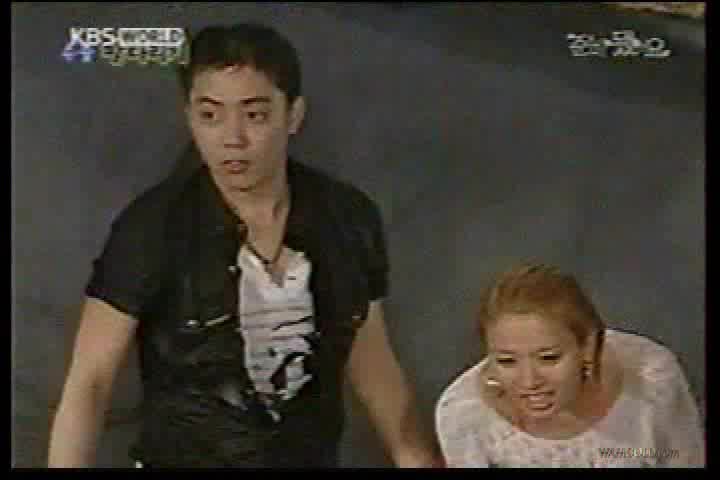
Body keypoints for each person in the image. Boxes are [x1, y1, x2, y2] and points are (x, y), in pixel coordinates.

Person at [48, 23, 443, 468]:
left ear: (293, 115)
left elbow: (373, 364)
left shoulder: (346, 217)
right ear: (189, 116)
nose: (232, 138)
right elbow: (90, 382)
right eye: (210, 115)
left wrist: (414, 456)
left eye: (254, 115)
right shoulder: (152, 227)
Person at [435, 263, 705, 468]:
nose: (529, 381)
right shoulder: (464, 416)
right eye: (506, 361)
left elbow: (681, 458)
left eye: (549, 358)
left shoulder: (651, 381)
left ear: (587, 346)